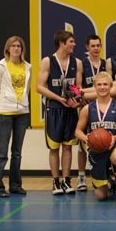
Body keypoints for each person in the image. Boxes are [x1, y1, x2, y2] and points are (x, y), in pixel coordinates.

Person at [36, 30, 82, 195]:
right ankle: (55, 181)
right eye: (71, 41)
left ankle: (67, 180)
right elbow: (39, 87)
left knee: (68, 147)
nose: (74, 44)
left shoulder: (76, 62)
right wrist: (57, 97)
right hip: (54, 108)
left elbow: (78, 87)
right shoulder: (48, 61)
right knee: (54, 147)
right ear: (62, 43)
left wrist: (75, 98)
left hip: (70, 109)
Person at [75, 72, 116, 209]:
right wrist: (87, 138)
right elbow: (77, 131)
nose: (102, 87)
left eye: (105, 84)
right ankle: (110, 181)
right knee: (101, 196)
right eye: (99, 85)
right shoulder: (87, 108)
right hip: (96, 149)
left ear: (111, 86)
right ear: (94, 87)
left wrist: (114, 138)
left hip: (113, 146)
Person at [0, 36, 31, 198]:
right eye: (13, 46)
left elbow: (26, 90)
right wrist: (1, 108)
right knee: (2, 152)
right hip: (4, 114)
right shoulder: (0, 67)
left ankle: (15, 185)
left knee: (17, 152)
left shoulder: (27, 67)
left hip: (21, 114)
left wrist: (23, 104)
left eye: (19, 46)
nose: (16, 48)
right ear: (8, 49)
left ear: (22, 49)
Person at [76, 34, 106, 192]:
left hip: (102, 105)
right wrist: (83, 97)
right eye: (92, 46)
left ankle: (107, 175)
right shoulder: (82, 64)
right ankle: (81, 176)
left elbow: (109, 85)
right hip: (87, 105)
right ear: (87, 47)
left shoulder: (105, 63)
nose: (95, 48)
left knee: (104, 139)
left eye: (98, 45)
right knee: (82, 145)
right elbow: (78, 89)